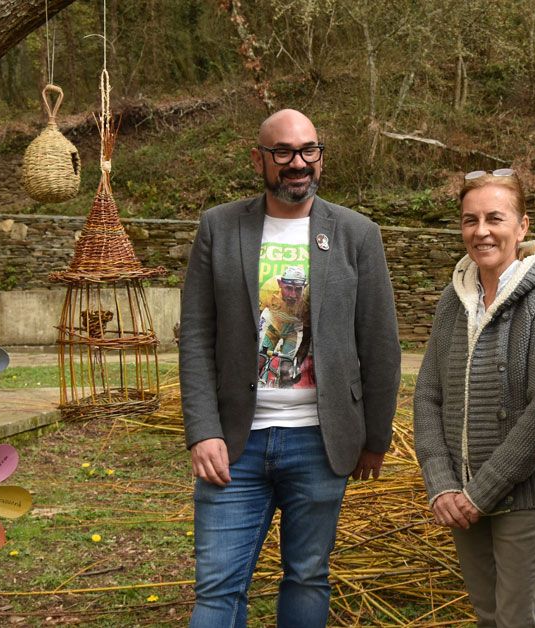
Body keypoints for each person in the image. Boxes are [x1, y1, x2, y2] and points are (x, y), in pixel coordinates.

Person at [180, 109, 402, 627]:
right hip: (234, 445)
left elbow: (380, 341)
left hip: (321, 442)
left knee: (307, 575)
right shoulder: (219, 226)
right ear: (259, 159)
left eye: (308, 151)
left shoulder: (356, 233)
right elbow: (194, 336)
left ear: (320, 156)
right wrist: (202, 431)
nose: (297, 163)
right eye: (283, 152)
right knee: (216, 589)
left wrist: (376, 437)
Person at [413, 168, 535, 627]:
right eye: (470, 220)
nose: (481, 232)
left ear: (522, 226)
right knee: (486, 616)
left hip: (521, 500)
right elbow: (427, 394)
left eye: (495, 218)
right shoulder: (454, 298)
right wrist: (441, 483)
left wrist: (480, 493)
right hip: (460, 496)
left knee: (517, 620)